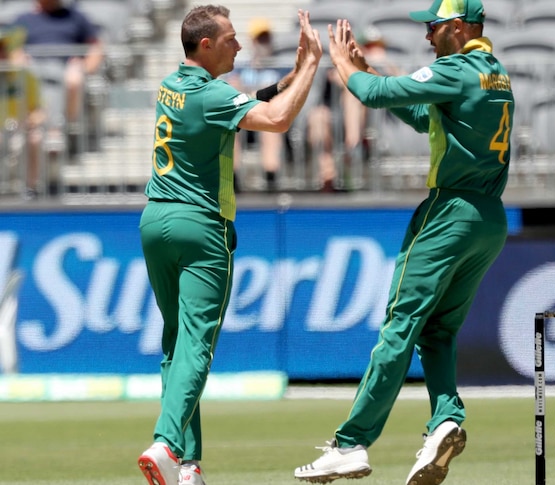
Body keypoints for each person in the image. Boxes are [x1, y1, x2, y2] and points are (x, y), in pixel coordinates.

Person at [294, 0, 514, 483]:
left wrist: (345, 65)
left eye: (434, 28)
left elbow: (375, 95)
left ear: (458, 28)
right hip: (489, 218)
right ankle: (446, 420)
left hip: (449, 213)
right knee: (437, 332)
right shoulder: (492, 73)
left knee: (401, 324)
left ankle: (351, 443)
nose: (427, 38)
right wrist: (367, 67)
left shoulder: (458, 69)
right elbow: (426, 117)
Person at [136, 5, 321, 485]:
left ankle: (188, 465)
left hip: (155, 220)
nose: (238, 45)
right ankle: (166, 442)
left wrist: (294, 73)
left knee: (176, 345)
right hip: (201, 227)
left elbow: (248, 101)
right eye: (230, 38)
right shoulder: (211, 95)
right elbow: (276, 119)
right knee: (197, 345)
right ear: (206, 45)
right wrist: (314, 68)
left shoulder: (173, 85)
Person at [306, 25, 397, 192]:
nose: (373, 51)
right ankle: (328, 176)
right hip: (334, 118)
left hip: (371, 120)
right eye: (369, 46)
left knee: (353, 96)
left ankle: (352, 147)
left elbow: (404, 82)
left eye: (376, 46)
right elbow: (339, 80)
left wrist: (383, 64)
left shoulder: (385, 67)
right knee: (318, 117)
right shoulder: (343, 64)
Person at [13, 0, 104, 153]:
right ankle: (39, 128)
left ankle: (58, 129)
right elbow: (11, 49)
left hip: (65, 68)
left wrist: (84, 66)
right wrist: (19, 58)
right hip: (33, 69)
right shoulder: (23, 20)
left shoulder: (76, 18)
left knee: (72, 78)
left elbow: (96, 47)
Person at [227, 17, 292, 192]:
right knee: (230, 128)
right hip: (246, 116)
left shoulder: (280, 67)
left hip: (269, 117)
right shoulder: (241, 67)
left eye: (266, 38)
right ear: (253, 41)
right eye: (260, 38)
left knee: (269, 126)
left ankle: (271, 177)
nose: (264, 43)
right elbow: (232, 91)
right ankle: (232, 179)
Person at [0, 25, 46, 199]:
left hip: (19, 131)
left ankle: (30, 189)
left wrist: (30, 122)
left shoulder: (25, 76)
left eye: (3, 49)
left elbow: (40, 110)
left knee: (35, 138)